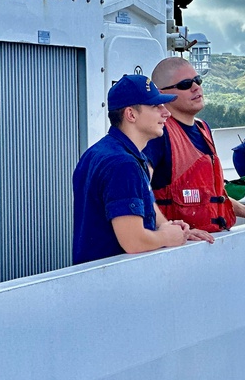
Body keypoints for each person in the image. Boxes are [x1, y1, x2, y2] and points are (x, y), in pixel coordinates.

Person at [145, 57, 245, 230]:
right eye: (185, 84)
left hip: (210, 242)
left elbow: (211, 195)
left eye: (197, 80)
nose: (196, 87)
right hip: (179, 248)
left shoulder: (203, 129)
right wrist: (167, 229)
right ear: (162, 93)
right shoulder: (159, 134)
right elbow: (138, 188)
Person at [73, 75, 192, 264]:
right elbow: (133, 241)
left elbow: (146, 204)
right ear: (131, 114)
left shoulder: (99, 153)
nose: (166, 113)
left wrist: (168, 227)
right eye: (156, 106)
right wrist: (167, 238)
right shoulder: (123, 164)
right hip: (114, 282)